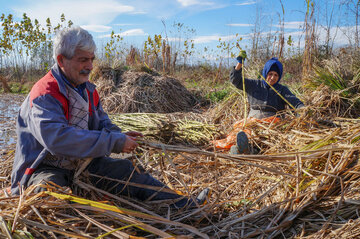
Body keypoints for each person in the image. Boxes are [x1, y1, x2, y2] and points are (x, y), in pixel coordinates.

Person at [11, 26, 208, 209]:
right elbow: (57, 139)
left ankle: (185, 206)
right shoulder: (45, 94)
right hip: (45, 167)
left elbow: (102, 122)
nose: (90, 66)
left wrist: (120, 136)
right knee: (48, 196)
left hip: (83, 163)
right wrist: (113, 142)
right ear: (61, 60)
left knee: (128, 172)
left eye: (91, 59)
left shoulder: (87, 90)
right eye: (83, 60)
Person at [229, 51, 304, 154]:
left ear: (279, 77)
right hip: (252, 122)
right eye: (270, 74)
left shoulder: (282, 90)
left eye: (276, 75)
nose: (272, 78)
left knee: (265, 139)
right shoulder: (254, 84)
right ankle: (241, 146)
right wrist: (240, 63)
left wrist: (302, 110)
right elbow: (236, 80)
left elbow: (295, 102)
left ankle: (249, 149)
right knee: (240, 132)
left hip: (272, 126)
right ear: (265, 73)